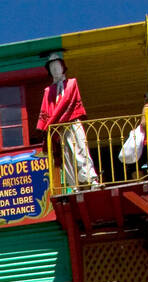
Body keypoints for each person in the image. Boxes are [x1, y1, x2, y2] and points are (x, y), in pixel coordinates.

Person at [35, 51, 100, 190]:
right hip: (60, 128)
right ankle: (74, 184)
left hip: (72, 121)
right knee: (66, 155)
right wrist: (48, 128)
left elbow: (69, 100)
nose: (55, 70)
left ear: (63, 67)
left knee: (81, 149)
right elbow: (46, 109)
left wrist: (52, 122)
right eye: (52, 68)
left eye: (57, 67)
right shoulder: (48, 91)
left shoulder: (71, 83)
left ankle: (91, 179)